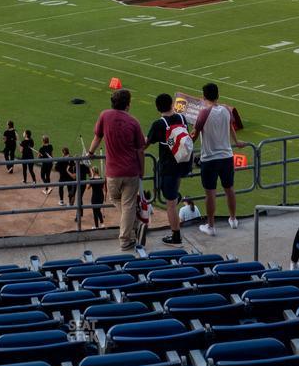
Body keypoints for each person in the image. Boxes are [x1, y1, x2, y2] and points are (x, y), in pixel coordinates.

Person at [87, 88, 147, 251]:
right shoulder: (134, 122)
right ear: (128, 105)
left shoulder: (104, 115)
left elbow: (97, 137)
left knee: (116, 200)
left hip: (112, 172)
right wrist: (142, 170)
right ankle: (128, 234)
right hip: (131, 170)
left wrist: (90, 153)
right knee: (128, 206)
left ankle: (128, 235)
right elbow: (140, 149)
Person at [194, 82, 239, 236]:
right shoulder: (227, 109)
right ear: (218, 95)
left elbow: (194, 134)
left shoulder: (204, 113)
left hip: (209, 158)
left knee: (210, 194)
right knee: (229, 189)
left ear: (203, 96)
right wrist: (237, 142)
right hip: (227, 156)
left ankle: (211, 226)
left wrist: (184, 148)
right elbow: (231, 125)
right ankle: (233, 219)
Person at [146, 92, 190, 244]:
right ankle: (176, 197)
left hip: (168, 166)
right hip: (183, 163)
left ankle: (176, 236)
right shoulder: (182, 118)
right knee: (172, 194)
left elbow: (146, 143)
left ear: (158, 108)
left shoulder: (159, 124)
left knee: (170, 204)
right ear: (172, 104)